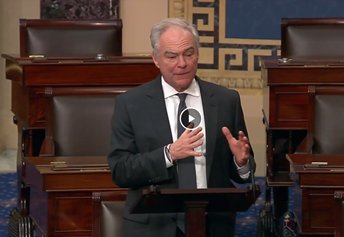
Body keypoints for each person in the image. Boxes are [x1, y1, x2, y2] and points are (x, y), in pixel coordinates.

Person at [107, 17, 255, 237]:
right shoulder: (131, 104)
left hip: (213, 224)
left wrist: (241, 162)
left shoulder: (226, 101)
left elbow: (243, 173)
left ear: (197, 54)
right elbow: (120, 170)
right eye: (171, 56)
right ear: (156, 59)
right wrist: (168, 154)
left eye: (188, 53)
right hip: (152, 227)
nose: (182, 63)